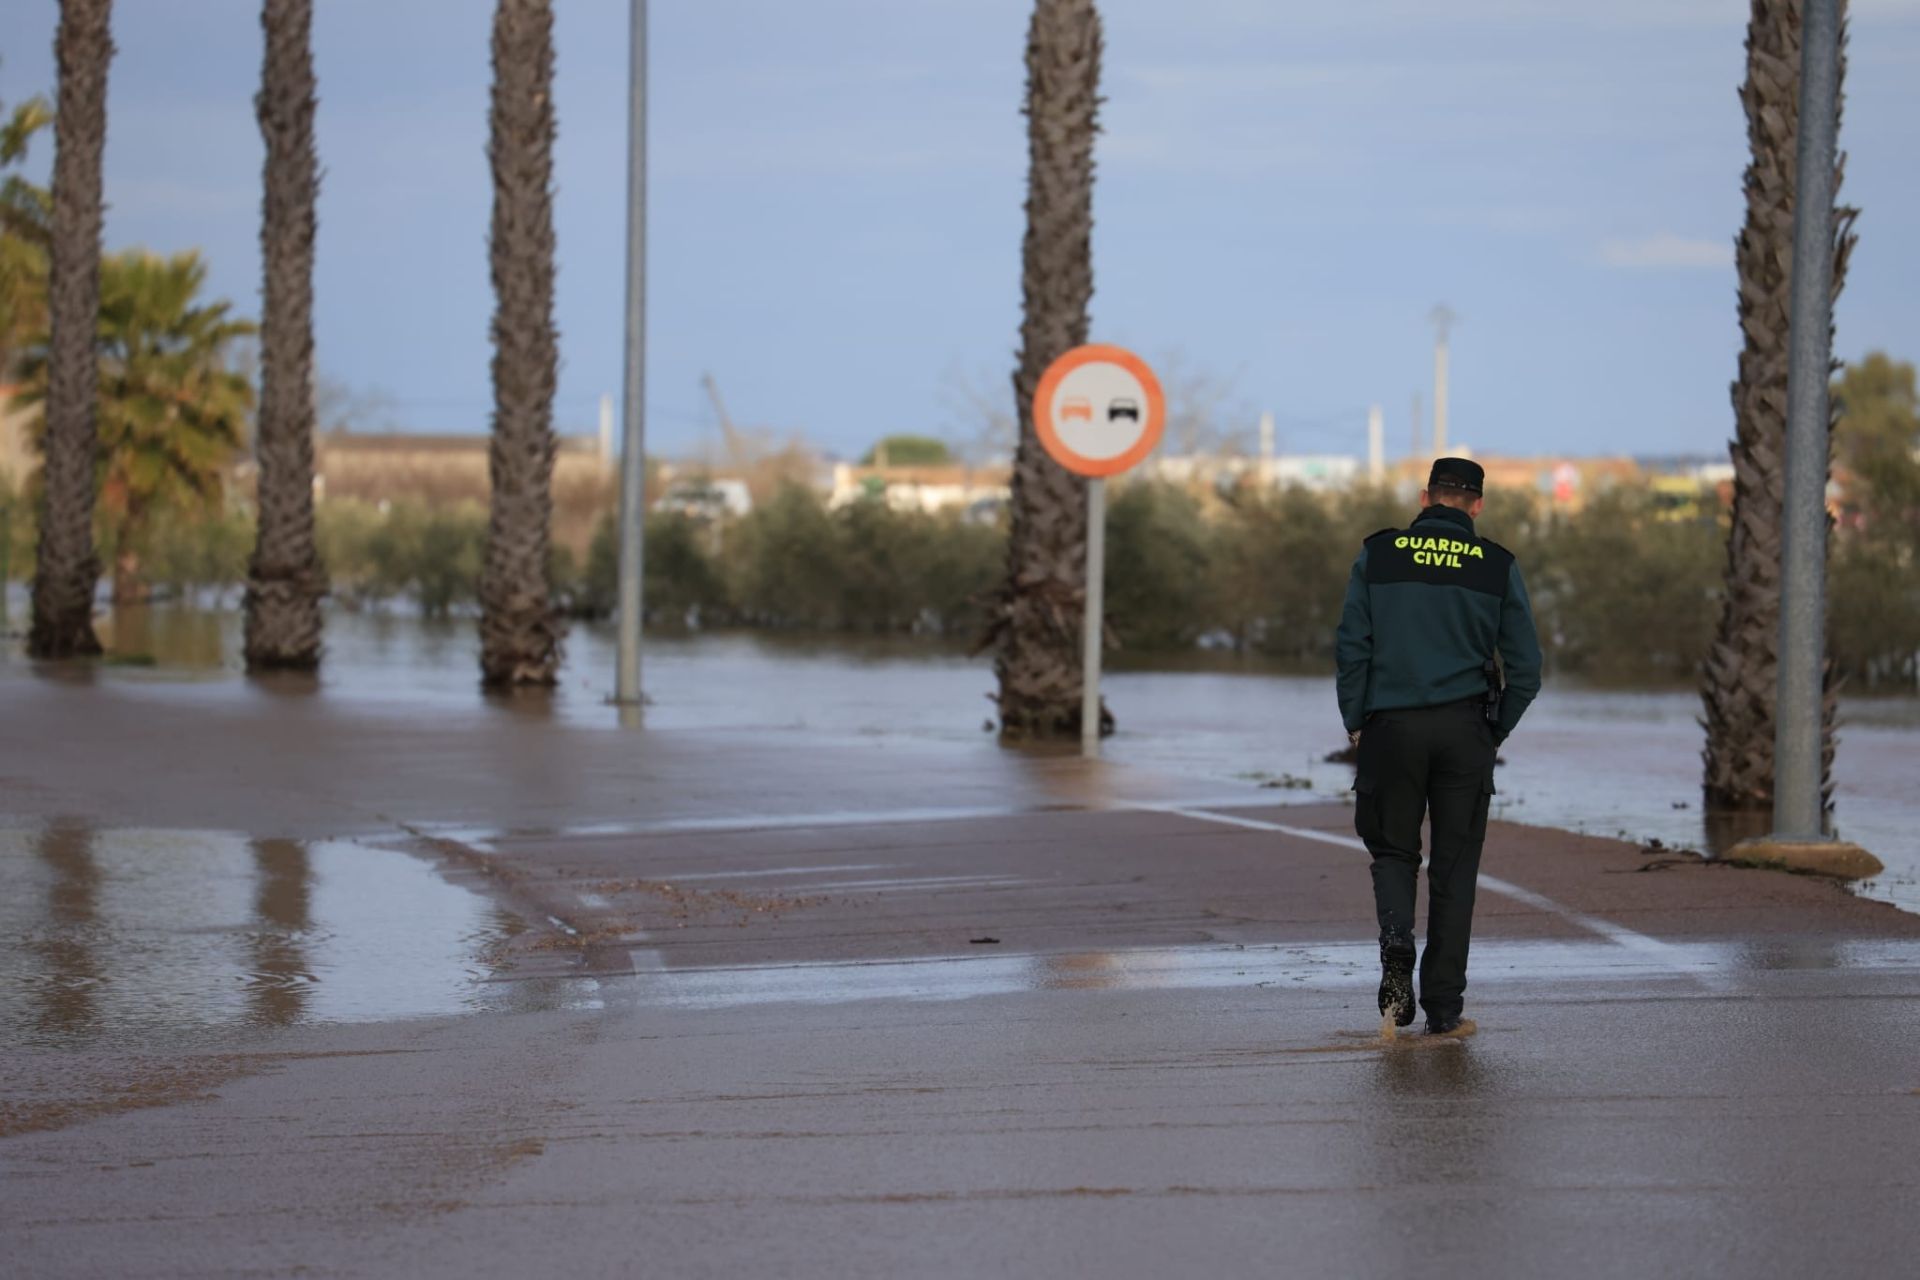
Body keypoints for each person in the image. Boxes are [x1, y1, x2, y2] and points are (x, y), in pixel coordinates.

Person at [1334, 458, 1542, 1036]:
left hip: (1391, 729)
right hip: (1464, 731)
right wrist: (1491, 731)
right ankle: (1444, 1011)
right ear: (1477, 505)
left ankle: (1397, 943)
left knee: (1395, 853)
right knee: (1455, 871)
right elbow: (1527, 668)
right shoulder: (1497, 565)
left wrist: (1356, 723)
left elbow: (1352, 646)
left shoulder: (1379, 554)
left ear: (1426, 497)